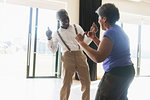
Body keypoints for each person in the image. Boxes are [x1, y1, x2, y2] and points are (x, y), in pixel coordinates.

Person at [75, 3, 135, 100]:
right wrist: (94, 38)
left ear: (104, 19)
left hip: (116, 74)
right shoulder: (118, 30)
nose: (98, 20)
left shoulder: (110, 32)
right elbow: (107, 50)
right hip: (127, 72)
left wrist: (81, 43)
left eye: (99, 17)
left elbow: (98, 57)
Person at [46, 9, 92, 100]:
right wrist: (49, 38)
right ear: (58, 20)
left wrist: (89, 37)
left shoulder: (77, 27)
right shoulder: (56, 33)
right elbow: (53, 50)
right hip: (67, 56)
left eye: (66, 17)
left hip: (80, 55)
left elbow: (84, 43)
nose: (65, 20)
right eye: (62, 18)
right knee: (66, 83)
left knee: (87, 83)